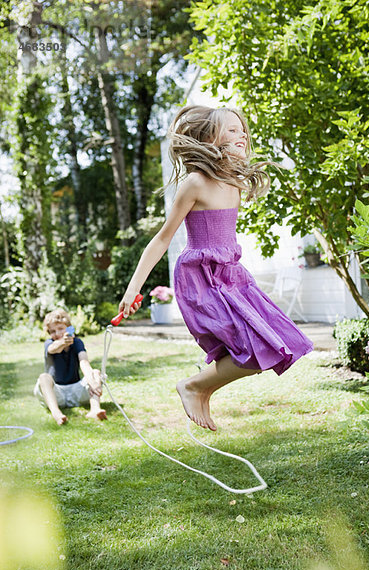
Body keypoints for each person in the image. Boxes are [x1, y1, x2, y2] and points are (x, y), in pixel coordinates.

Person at [119, 105, 314, 431]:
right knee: (253, 348)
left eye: (242, 130)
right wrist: (133, 288)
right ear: (210, 138)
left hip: (232, 276)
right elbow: (162, 239)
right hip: (200, 279)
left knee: (272, 344)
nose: (242, 135)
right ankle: (194, 386)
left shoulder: (234, 182)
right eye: (231, 130)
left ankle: (201, 388)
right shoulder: (194, 183)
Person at [34, 309, 106, 425]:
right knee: (43, 377)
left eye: (60, 329)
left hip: (76, 391)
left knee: (95, 372)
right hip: (56, 394)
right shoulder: (49, 343)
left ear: (68, 328)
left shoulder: (77, 342)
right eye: (52, 331)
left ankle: (95, 409)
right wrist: (63, 342)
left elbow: (84, 362)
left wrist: (92, 381)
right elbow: (53, 349)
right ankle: (56, 413)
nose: (57, 334)